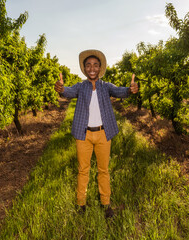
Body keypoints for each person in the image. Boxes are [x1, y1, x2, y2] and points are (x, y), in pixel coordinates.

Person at [54, 49, 138, 218]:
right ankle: (81, 204)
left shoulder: (106, 86)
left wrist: (130, 90)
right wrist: (61, 89)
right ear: (85, 69)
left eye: (95, 65)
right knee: (83, 170)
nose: (92, 68)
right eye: (88, 65)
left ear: (100, 68)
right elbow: (68, 92)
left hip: (102, 134)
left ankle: (106, 204)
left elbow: (120, 91)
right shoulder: (80, 86)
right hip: (83, 135)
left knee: (103, 170)